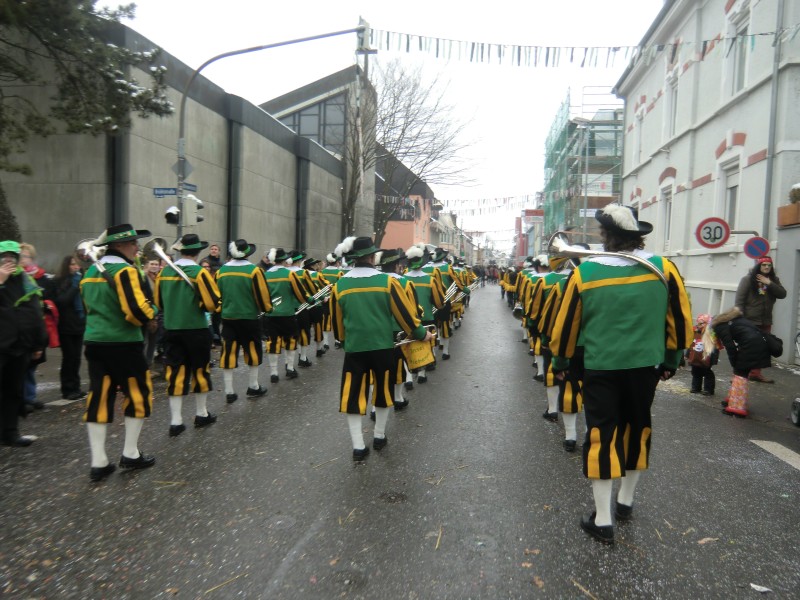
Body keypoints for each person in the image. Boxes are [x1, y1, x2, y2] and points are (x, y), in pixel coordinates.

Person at [550, 204, 692, 544]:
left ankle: (603, 520)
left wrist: (560, 363)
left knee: (601, 434)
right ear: (637, 238)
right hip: (646, 367)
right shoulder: (663, 268)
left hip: (601, 366)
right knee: (637, 425)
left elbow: (565, 328)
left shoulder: (584, 273)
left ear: (605, 236)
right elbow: (680, 320)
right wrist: (671, 358)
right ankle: (626, 502)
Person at [330, 236, 433, 461]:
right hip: (383, 346)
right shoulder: (388, 283)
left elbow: (337, 325)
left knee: (354, 394)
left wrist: (344, 341)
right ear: (371, 256)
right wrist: (422, 334)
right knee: (383, 390)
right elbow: (405, 316)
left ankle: (358, 446)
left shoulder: (340, 285)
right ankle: (379, 436)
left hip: (355, 348)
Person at [80, 224, 159, 482]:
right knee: (138, 395)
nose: (137, 247)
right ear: (120, 246)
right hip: (124, 343)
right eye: (133, 243)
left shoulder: (90, 271)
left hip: (94, 341)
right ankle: (130, 453)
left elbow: (88, 306)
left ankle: (98, 461)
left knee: (99, 398)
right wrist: (152, 313)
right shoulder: (126, 271)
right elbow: (135, 311)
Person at [155, 234, 222, 436]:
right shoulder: (199, 273)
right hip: (197, 330)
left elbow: (158, 302)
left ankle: (176, 421)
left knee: (175, 372)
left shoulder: (164, 273)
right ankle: (201, 413)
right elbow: (213, 303)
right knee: (200, 370)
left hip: (172, 328)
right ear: (198, 252)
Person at [0, 241, 48, 446]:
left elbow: (36, 312)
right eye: (4, 256)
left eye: (13, 256)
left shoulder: (25, 280)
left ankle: (10, 433)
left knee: (14, 391)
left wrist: (38, 344)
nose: (9, 260)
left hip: (20, 347)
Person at [215, 239, 272, 402]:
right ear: (247, 254)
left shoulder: (221, 272)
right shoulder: (254, 271)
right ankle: (253, 386)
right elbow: (262, 295)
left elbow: (216, 295)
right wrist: (267, 309)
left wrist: (221, 309)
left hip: (227, 318)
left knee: (228, 352)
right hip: (249, 318)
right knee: (253, 351)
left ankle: (229, 391)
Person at [706, 307, 772, 418]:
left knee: (740, 374)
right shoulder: (734, 320)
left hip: (751, 347)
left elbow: (730, 347)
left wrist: (734, 362)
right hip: (758, 345)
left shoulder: (720, 327)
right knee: (739, 373)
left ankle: (737, 408)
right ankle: (733, 400)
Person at [263, 248, 314, 382]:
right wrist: (309, 299)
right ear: (285, 260)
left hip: (271, 313)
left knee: (272, 342)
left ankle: (274, 372)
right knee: (290, 339)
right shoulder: (289, 274)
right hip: (287, 313)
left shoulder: (266, 274)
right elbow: (299, 291)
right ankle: (290, 368)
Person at [734, 256, 786, 383]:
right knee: (746, 347)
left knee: (762, 348)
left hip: (765, 320)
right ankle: (738, 375)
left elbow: (782, 294)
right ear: (758, 266)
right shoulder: (747, 279)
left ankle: (755, 374)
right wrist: (739, 317)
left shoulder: (774, 280)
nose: (767, 267)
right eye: (764, 265)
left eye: (769, 265)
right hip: (749, 320)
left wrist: (769, 283)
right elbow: (739, 300)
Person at [19, 243, 52, 412]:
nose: (23, 260)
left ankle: (29, 397)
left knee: (31, 366)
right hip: (20, 329)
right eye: (21, 256)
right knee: (20, 367)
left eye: (26, 256)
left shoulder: (39, 277)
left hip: (36, 325)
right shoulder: (14, 277)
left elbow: (47, 295)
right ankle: (20, 400)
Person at [52, 255, 87, 400]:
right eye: (72, 264)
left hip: (78, 325)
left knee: (77, 358)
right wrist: (74, 287)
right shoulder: (60, 281)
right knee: (69, 358)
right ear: (66, 266)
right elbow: (62, 301)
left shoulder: (80, 281)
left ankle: (76, 387)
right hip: (66, 325)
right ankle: (67, 389)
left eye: (77, 264)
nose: (75, 267)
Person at [686, 314, 719, 396]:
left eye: (702, 323)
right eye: (698, 323)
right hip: (695, 356)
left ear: (708, 323)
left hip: (706, 357)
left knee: (707, 372)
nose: (699, 325)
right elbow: (691, 343)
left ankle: (708, 389)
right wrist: (687, 354)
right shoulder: (695, 332)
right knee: (695, 371)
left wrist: (714, 359)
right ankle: (696, 387)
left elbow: (715, 347)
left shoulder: (711, 334)